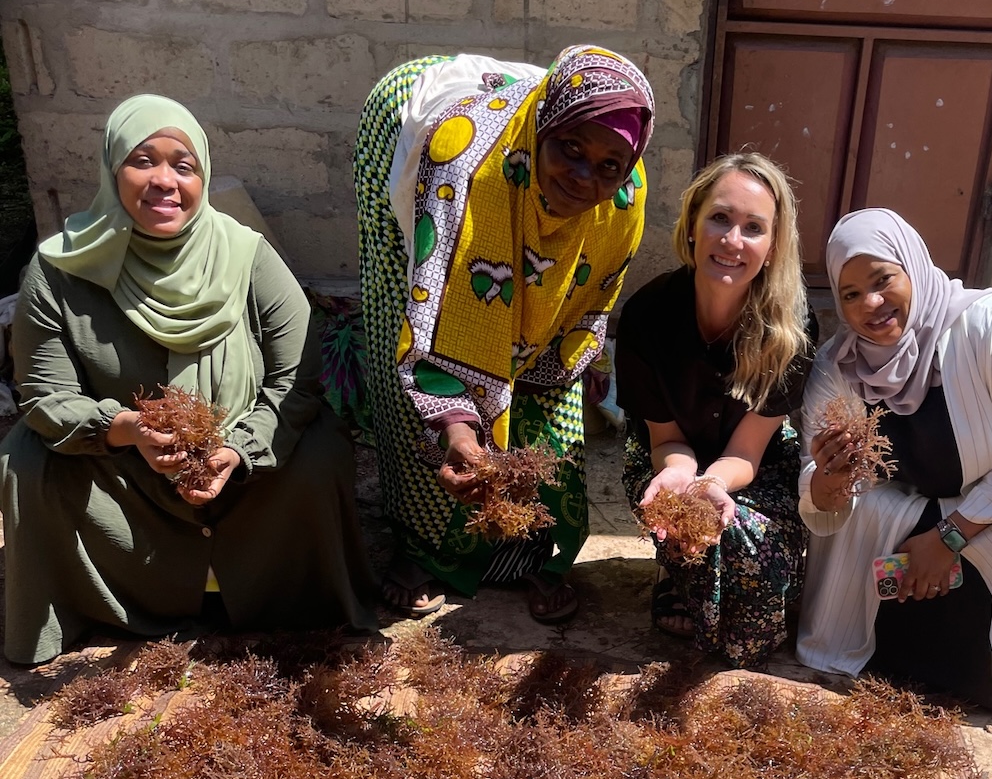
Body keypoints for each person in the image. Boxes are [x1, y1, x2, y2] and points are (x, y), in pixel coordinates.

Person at [0, 95, 378, 666]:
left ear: (201, 177)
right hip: (124, 466)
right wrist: (126, 429)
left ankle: (271, 590)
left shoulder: (248, 256)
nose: (164, 181)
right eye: (142, 161)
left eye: (183, 166)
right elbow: (43, 395)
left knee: (320, 448)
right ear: (112, 171)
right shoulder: (58, 272)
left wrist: (239, 450)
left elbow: (297, 379)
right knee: (27, 460)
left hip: (244, 464)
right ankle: (108, 603)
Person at [354, 45, 654, 623]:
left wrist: (577, 362)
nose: (585, 177)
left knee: (549, 421)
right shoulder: (465, 171)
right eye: (570, 149)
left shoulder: (624, 197)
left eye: (608, 165)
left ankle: (529, 553)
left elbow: (591, 294)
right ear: (544, 131)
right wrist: (458, 429)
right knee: (411, 343)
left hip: (515, 171)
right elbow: (436, 321)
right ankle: (425, 551)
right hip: (413, 148)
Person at [795, 207, 992, 744]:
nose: (871, 304)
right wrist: (829, 480)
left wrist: (948, 537)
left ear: (913, 268)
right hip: (920, 491)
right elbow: (820, 489)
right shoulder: (840, 366)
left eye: (883, 280)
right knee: (859, 518)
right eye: (851, 293)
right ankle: (881, 651)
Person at [616, 153, 816, 669]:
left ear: (773, 246)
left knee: (749, 592)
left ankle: (711, 572)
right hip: (668, 456)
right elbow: (665, 439)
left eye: (754, 228)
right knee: (678, 514)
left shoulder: (792, 331)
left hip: (752, 464)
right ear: (692, 225)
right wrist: (681, 477)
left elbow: (746, 452)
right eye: (720, 218)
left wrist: (712, 484)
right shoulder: (646, 316)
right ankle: (677, 569)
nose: (732, 240)